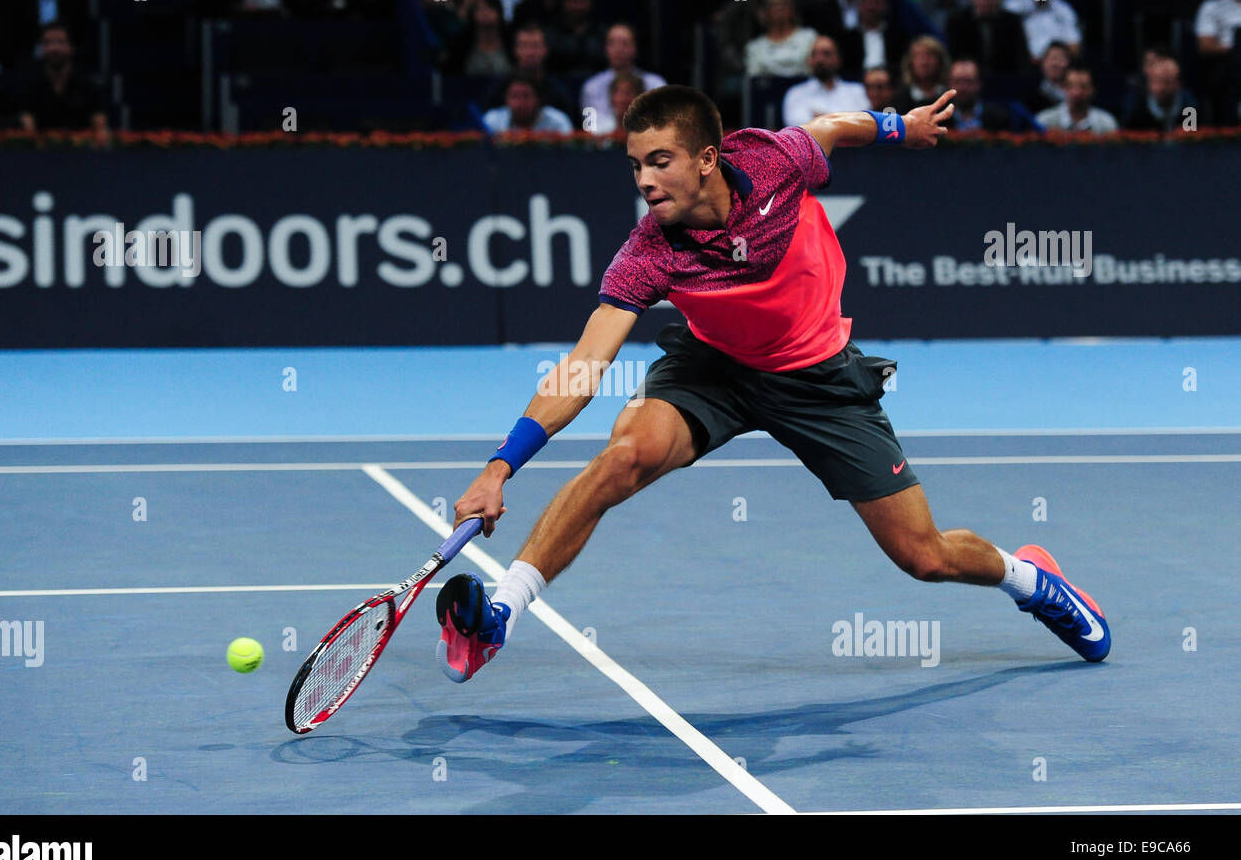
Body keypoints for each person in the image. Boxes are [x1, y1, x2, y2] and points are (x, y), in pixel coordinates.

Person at [436, 83, 1112, 684]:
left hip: (816, 377)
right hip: (715, 369)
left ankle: (1033, 580)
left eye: (659, 161)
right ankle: (502, 612)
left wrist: (899, 126)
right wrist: (501, 467)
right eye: (636, 165)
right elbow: (586, 361)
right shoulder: (651, 250)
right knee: (624, 455)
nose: (644, 180)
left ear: (707, 157)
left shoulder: (773, 161)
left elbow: (832, 127)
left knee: (923, 555)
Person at [16, 22, 108, 137]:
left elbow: (100, 129)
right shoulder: (29, 86)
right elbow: (28, 130)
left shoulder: (89, 86)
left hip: (83, 151)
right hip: (41, 152)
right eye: (47, 43)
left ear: (71, 47)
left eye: (60, 42)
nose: (54, 48)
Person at [580, 23, 665, 134]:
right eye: (612, 43)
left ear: (635, 47)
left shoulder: (656, 84)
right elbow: (589, 128)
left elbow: (662, 126)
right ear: (606, 48)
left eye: (625, 43)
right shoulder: (591, 87)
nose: (619, 49)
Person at [945, 0, 1031, 75]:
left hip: (1005, 82)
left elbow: (1021, 60)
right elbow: (953, 60)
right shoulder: (957, 22)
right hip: (967, 82)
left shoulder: (1012, 22)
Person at [1003, 0, 1082, 62]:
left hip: (1056, 67)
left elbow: (1074, 47)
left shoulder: (1064, 10)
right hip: (1021, 67)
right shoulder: (1011, 8)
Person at [782, 35, 867, 126]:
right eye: (814, 54)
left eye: (826, 54)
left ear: (838, 59)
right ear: (809, 60)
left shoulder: (857, 91)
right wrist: (843, 120)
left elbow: (862, 125)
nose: (819, 60)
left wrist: (820, 118)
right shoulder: (795, 94)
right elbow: (798, 128)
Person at [744, 0, 817, 77]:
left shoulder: (809, 38)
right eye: (773, 4)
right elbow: (754, 79)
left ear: (792, 9)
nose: (779, 8)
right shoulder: (755, 47)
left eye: (784, 3)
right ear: (765, 12)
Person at [480, 70, 573, 133]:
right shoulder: (492, 121)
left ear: (538, 99)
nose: (520, 103)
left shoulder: (558, 122)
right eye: (515, 96)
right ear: (506, 99)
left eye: (526, 96)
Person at [1035, 63, 1118, 133]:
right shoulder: (1045, 121)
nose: (1076, 92)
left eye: (1083, 86)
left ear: (1093, 89)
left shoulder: (1107, 123)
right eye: (1071, 86)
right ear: (1063, 87)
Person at [1122, 56, 1194, 132]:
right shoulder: (1135, 107)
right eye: (1157, 81)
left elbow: (1197, 137)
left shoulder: (1190, 107)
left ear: (1178, 83)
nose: (1162, 88)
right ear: (1149, 83)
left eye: (1168, 82)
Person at [946, 58, 1010, 131]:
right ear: (949, 84)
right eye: (957, 81)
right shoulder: (938, 118)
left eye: (969, 81)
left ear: (979, 84)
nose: (963, 88)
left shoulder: (999, 117)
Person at [893, 35, 949, 112]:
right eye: (918, 56)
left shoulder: (950, 94)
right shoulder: (899, 97)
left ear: (940, 61)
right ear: (910, 62)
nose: (924, 62)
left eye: (929, 55)